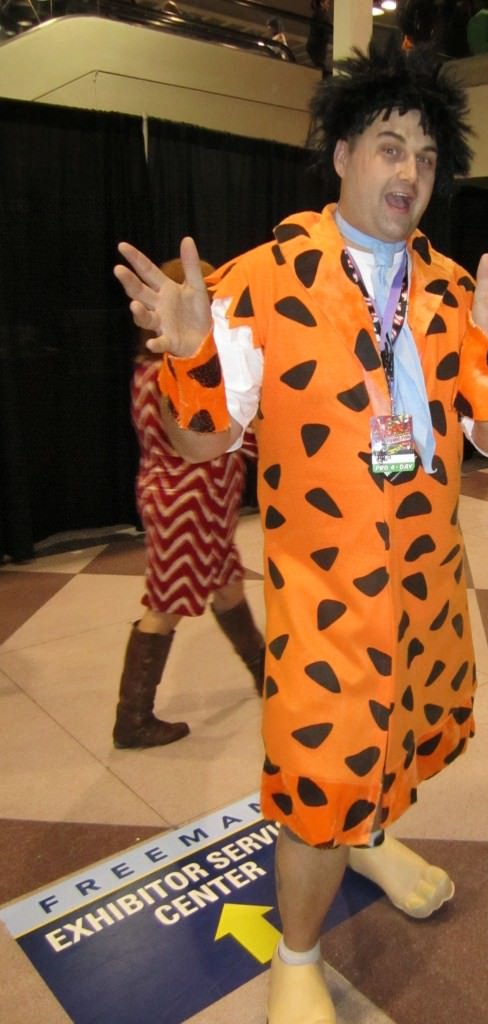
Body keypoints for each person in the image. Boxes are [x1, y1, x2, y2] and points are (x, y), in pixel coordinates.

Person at [114, 44, 488, 1024]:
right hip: (324, 603)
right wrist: (192, 353)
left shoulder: (450, 290)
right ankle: (300, 953)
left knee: (392, 746)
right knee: (320, 774)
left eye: (429, 158)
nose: (410, 174)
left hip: (428, 589)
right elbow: (200, 440)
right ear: (345, 153)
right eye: (391, 147)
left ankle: (371, 834)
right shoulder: (263, 281)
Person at [113, 258, 266, 750]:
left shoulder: (152, 369)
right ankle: (132, 720)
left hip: (194, 504)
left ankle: (267, 677)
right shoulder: (170, 375)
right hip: (188, 506)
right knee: (165, 606)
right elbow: (213, 436)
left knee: (226, 589)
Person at [306, 0, 332, 74]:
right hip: (318, 45)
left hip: (316, 44)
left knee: (320, 66)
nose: (329, 6)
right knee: (320, 67)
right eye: (327, 3)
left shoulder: (318, 14)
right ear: (321, 3)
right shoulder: (321, 14)